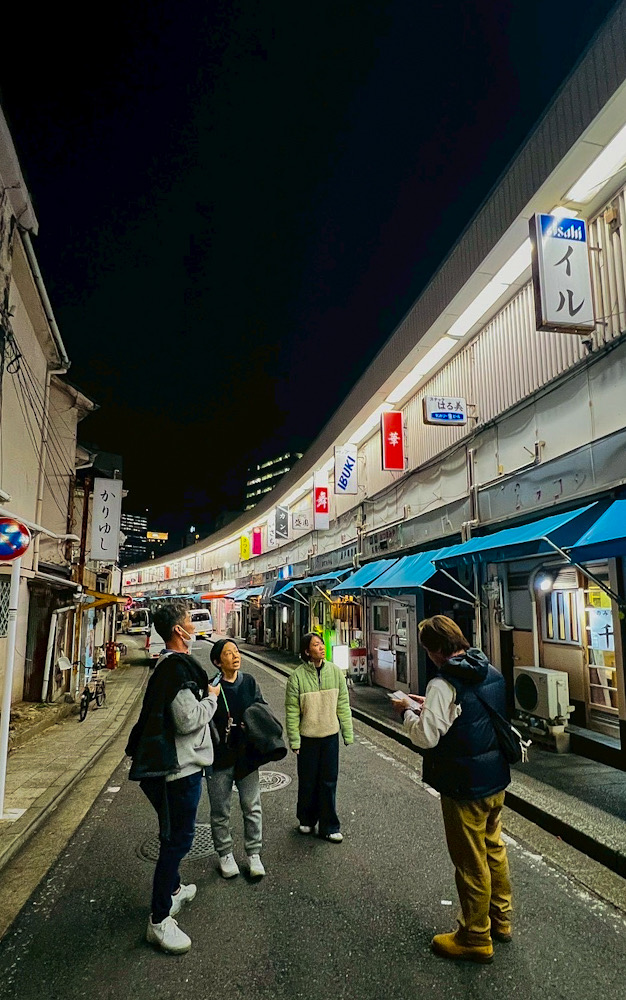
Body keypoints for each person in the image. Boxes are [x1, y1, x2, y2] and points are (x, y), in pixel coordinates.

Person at [392, 615, 512, 965]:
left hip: (464, 784)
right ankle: (501, 919)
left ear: (434, 650)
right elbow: (472, 715)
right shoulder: (488, 669)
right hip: (494, 778)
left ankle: (475, 935)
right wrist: (428, 707)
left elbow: (426, 737)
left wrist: (407, 712)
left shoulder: (444, 683)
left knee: (470, 861)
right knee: (494, 850)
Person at [125, 602, 220, 955]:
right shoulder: (175, 671)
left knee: (176, 836)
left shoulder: (171, 668)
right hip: (177, 771)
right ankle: (159, 921)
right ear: (179, 631)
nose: (192, 627)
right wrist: (210, 699)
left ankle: (175, 890)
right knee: (176, 841)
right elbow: (187, 719)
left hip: (180, 767)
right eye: (188, 622)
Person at [206, 638, 268, 879]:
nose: (235, 656)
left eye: (237, 651)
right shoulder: (211, 686)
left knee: (252, 806)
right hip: (219, 758)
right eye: (228, 653)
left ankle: (254, 853)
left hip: (246, 756)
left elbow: (262, 708)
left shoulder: (249, 682)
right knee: (220, 810)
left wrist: (252, 723)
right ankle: (225, 854)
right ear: (217, 661)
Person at [285, 632, 354, 842]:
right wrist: (294, 740)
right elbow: (292, 711)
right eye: (316, 645)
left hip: (330, 736)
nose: (322, 647)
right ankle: (306, 819)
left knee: (329, 782)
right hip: (308, 738)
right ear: (307, 651)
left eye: (322, 644)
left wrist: (347, 733)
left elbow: (343, 704)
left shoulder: (335, 672)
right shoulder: (296, 677)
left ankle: (329, 826)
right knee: (307, 781)